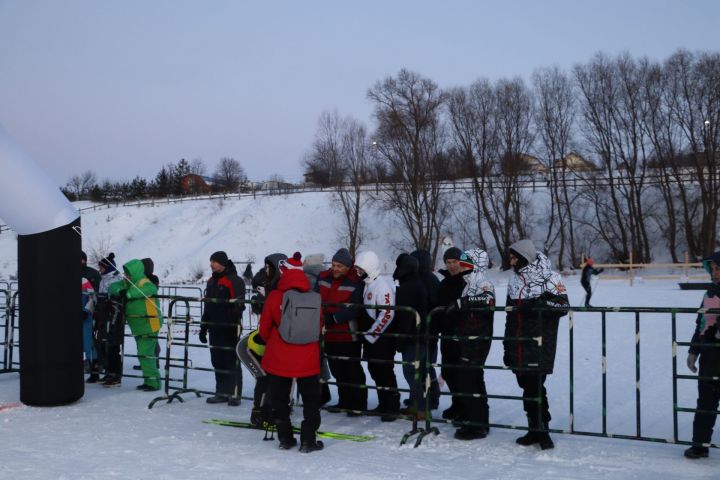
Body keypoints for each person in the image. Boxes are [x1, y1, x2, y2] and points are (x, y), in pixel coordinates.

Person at [504, 239, 568, 450]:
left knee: (535, 386)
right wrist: (507, 345)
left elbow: (562, 305)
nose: (511, 261)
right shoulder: (513, 281)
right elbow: (509, 316)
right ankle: (533, 428)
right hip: (518, 344)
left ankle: (543, 430)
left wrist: (539, 304)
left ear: (524, 257)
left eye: (514, 257)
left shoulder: (549, 277)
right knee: (527, 387)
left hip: (540, 343)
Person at [258, 252, 324, 453]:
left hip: (279, 357)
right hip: (308, 358)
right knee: (311, 401)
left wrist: (277, 341)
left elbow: (263, 330)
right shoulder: (314, 297)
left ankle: (285, 438)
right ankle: (308, 440)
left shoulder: (275, 296)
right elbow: (319, 324)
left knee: (279, 399)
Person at [447, 248, 495, 440]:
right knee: (472, 380)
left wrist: (461, 303)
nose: (462, 267)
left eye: (467, 264)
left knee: (469, 381)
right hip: (468, 338)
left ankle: (477, 425)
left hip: (478, 340)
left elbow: (487, 300)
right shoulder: (469, 283)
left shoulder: (482, 282)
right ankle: (478, 421)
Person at [316, 248, 366, 415]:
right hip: (328, 333)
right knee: (337, 369)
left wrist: (333, 317)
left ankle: (358, 404)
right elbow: (315, 298)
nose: (335, 269)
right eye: (334, 265)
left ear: (347, 267)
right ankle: (344, 401)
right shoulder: (323, 278)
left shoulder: (355, 281)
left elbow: (355, 308)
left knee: (352, 370)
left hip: (347, 334)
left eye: (339, 266)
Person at [354, 250, 399, 421]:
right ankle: (383, 403)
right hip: (370, 337)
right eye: (357, 269)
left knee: (384, 371)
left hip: (382, 339)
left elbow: (387, 314)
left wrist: (372, 334)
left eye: (360, 269)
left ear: (369, 268)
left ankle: (392, 407)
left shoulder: (382, 286)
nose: (358, 273)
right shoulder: (366, 284)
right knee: (374, 370)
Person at [684, 250, 720, 459]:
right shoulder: (710, 293)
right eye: (712, 268)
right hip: (710, 356)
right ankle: (700, 443)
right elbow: (701, 323)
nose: (714, 272)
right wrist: (693, 351)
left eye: (718, 268)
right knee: (705, 401)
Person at [108, 259, 164, 391]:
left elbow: (149, 289)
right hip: (139, 326)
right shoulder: (128, 283)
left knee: (145, 353)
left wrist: (127, 294)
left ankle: (153, 383)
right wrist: (121, 291)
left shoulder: (145, 282)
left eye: (129, 273)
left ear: (135, 272)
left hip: (149, 323)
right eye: (126, 273)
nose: (126, 276)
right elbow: (112, 287)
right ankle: (149, 381)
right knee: (143, 354)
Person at [199, 251, 246, 406]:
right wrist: (203, 327)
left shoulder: (234, 280)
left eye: (214, 261)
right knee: (217, 360)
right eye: (211, 261)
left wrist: (234, 324)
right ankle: (221, 392)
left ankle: (234, 393)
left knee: (231, 360)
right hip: (214, 327)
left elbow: (239, 305)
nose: (211, 264)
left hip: (229, 328)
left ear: (222, 263)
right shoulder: (211, 281)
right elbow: (207, 305)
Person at [249, 253, 287, 426]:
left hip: (280, 339)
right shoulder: (268, 286)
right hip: (269, 338)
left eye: (268, 268)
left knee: (273, 379)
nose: (266, 271)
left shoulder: (281, 288)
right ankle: (261, 410)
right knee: (265, 377)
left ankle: (270, 410)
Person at [392, 254, 429, 418]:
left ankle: (421, 408)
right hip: (418, 335)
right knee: (416, 372)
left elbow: (405, 316)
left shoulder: (409, 287)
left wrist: (400, 339)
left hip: (413, 337)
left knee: (411, 372)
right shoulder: (414, 283)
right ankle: (416, 405)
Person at [435, 247, 467, 421]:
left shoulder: (468, 282)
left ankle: (464, 407)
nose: (452, 265)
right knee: (448, 370)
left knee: (462, 373)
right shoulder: (444, 283)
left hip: (462, 334)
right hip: (446, 334)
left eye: (455, 262)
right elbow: (438, 306)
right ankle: (456, 403)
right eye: (448, 262)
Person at [409, 249, 441, 409]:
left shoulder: (427, 279)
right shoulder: (424, 278)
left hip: (428, 331)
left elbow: (431, 305)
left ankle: (431, 398)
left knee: (426, 366)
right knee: (421, 366)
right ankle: (419, 396)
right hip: (425, 330)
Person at [96, 253, 124, 387]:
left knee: (113, 345)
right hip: (103, 315)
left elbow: (116, 299)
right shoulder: (103, 279)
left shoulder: (116, 279)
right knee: (104, 344)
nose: (99, 269)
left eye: (101, 267)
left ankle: (115, 374)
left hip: (113, 316)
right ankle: (108, 372)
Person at [81, 276, 99, 383]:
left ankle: (94, 372)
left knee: (88, 344)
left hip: (85, 318)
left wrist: (87, 311)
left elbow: (93, 297)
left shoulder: (83, 280)